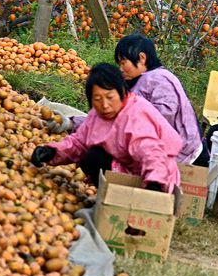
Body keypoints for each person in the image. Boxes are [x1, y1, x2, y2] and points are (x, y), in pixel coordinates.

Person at [47, 34, 209, 167]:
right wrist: (72, 123)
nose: (121, 69)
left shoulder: (160, 79)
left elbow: (160, 118)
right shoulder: (141, 80)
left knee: (100, 157)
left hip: (184, 157)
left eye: (124, 63)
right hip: (163, 152)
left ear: (142, 58)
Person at [31, 63, 182, 193]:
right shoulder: (97, 116)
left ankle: (118, 199)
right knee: (91, 155)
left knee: (95, 157)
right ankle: (110, 196)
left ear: (122, 91)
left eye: (110, 97)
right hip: (126, 172)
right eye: (97, 99)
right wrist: (52, 152)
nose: (104, 105)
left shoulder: (136, 115)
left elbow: (152, 153)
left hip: (154, 178)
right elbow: (79, 142)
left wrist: (154, 185)